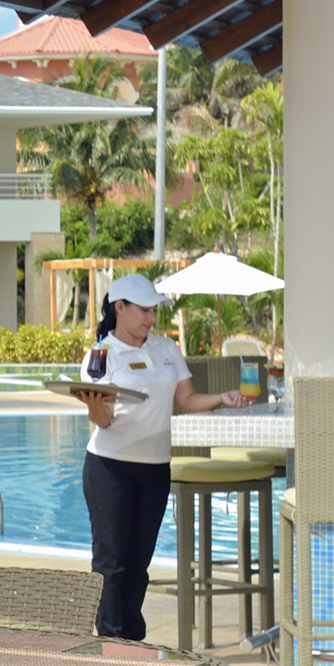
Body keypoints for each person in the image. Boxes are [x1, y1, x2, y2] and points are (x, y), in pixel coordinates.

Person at [76, 273, 247, 642]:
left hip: (155, 468)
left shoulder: (166, 349)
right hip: (110, 468)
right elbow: (104, 421)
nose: (151, 319)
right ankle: (109, 642)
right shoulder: (101, 355)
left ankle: (131, 641)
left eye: (154, 311)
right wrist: (93, 409)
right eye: (145, 311)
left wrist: (222, 398)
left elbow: (186, 401)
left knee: (138, 565)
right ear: (119, 308)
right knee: (111, 565)